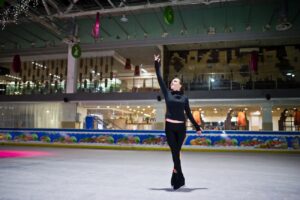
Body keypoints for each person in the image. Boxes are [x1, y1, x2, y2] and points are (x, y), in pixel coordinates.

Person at [154, 55, 202, 190]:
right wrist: (156, 64)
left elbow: (189, 114)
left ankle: (176, 175)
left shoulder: (185, 98)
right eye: (172, 81)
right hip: (169, 127)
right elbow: (159, 78)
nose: (172, 82)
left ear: (180, 85)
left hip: (181, 128)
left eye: (175, 81)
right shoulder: (167, 93)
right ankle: (179, 176)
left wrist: (197, 127)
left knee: (176, 152)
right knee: (175, 152)